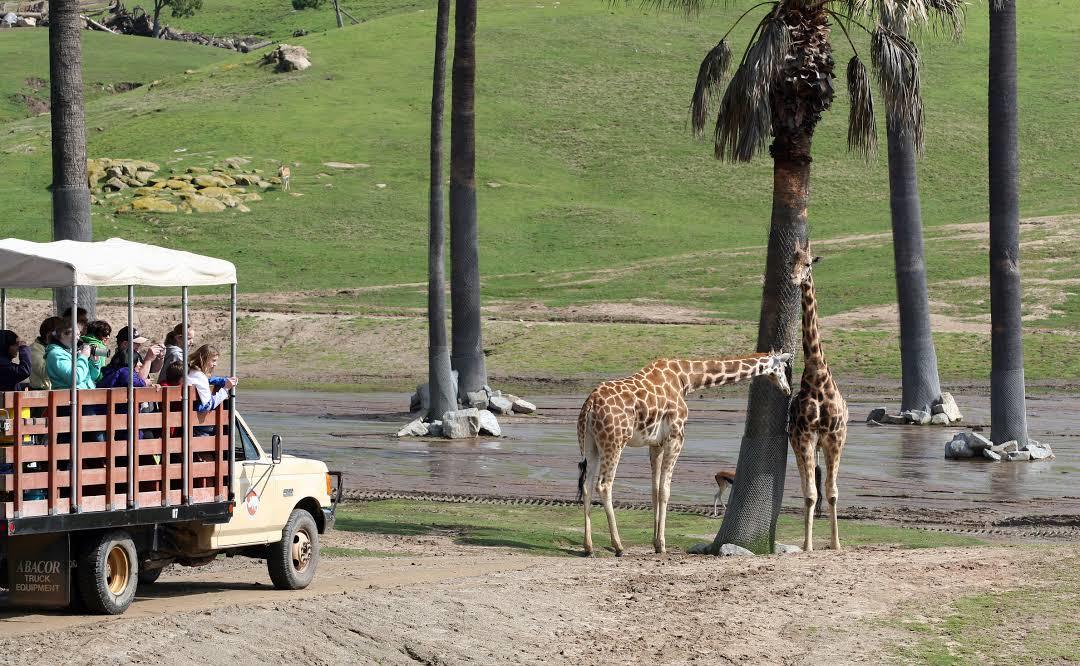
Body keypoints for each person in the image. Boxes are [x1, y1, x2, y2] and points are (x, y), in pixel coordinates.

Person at [187, 345, 237, 436]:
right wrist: (226, 389)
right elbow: (208, 405)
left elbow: (206, 380)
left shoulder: (191, 371)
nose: (215, 364)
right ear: (204, 359)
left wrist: (223, 380)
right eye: (213, 360)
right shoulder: (199, 375)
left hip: (189, 419)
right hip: (198, 424)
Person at [29, 316, 62, 391]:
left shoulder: (62, 348)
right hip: (41, 393)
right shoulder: (34, 349)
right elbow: (44, 373)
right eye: (61, 332)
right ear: (50, 334)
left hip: (59, 392)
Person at [81, 320, 112, 385]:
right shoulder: (100, 347)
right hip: (94, 384)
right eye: (105, 334)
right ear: (96, 333)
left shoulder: (80, 343)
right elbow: (100, 370)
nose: (108, 337)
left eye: (109, 334)